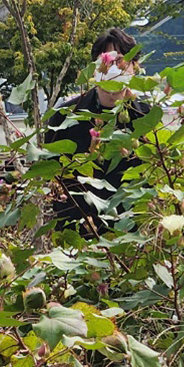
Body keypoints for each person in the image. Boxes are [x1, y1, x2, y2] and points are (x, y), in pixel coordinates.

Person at [44, 28, 149, 236]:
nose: (113, 68)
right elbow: (54, 176)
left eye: (120, 61)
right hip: (81, 233)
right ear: (95, 68)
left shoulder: (145, 118)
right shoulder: (64, 117)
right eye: (107, 62)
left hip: (133, 236)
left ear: (134, 67)